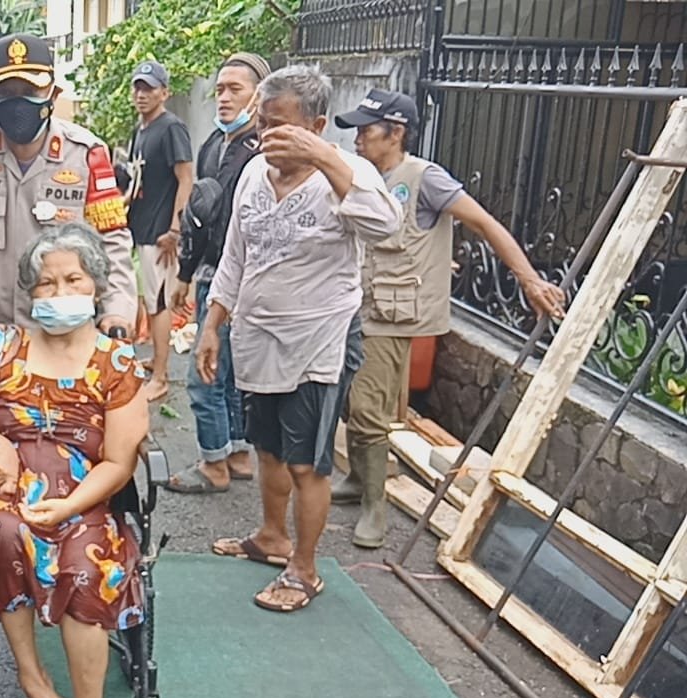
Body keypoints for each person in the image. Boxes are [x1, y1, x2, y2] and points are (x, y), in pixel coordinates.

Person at [198, 66, 401, 611]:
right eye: (263, 123)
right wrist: (212, 325)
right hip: (258, 337)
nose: (268, 136)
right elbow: (235, 257)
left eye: (281, 126)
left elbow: (386, 227)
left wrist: (325, 159)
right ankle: (271, 537)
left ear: (315, 125)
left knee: (308, 462)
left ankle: (305, 570)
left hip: (319, 341)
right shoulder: (252, 173)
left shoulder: (349, 173)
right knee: (266, 447)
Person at [0, 223, 150, 698]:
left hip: (84, 492)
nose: (60, 292)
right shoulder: (3, 347)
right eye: (47, 283)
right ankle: (31, 675)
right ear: (30, 292)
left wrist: (70, 505)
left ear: (95, 285)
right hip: (0, 486)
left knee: (85, 570)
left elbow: (119, 462)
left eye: (73, 280)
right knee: (8, 530)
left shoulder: (117, 363)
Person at [330, 89, 567, 548]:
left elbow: (484, 223)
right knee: (350, 400)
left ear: (396, 133)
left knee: (368, 408)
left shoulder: (425, 178)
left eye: (366, 130)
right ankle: (359, 478)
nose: (357, 139)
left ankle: (375, 508)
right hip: (352, 305)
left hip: (391, 315)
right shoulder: (361, 176)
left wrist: (529, 280)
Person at [0, 33, 138, 338]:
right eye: (5, 92)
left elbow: (111, 238)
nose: (18, 103)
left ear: (53, 94)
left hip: (66, 331)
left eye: (30, 91)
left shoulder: (86, 154)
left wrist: (116, 310)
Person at [165, 52, 271, 494]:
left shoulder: (262, 151)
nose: (224, 98)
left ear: (259, 96)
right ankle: (237, 454)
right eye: (220, 90)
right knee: (225, 373)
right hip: (212, 271)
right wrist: (186, 273)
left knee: (205, 372)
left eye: (235, 90)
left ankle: (213, 464)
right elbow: (198, 217)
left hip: (239, 281)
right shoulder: (215, 144)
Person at [124, 60, 193, 401]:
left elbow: (186, 178)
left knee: (159, 303)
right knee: (151, 299)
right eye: (138, 88)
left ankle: (162, 377)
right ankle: (156, 357)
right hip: (141, 226)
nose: (142, 94)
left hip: (161, 233)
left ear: (164, 93)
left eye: (149, 89)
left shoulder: (171, 128)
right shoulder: (140, 130)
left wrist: (176, 228)